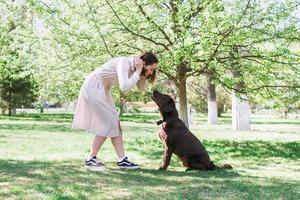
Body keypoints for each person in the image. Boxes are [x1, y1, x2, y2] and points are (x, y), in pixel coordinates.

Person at [72, 52, 158, 170]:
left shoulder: (136, 69)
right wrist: (138, 71)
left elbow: (141, 88)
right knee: (109, 121)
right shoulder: (124, 62)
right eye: (151, 68)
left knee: (114, 122)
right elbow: (124, 87)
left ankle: (122, 160)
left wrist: (143, 74)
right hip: (94, 85)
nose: (151, 72)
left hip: (104, 88)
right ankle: (90, 158)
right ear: (143, 63)